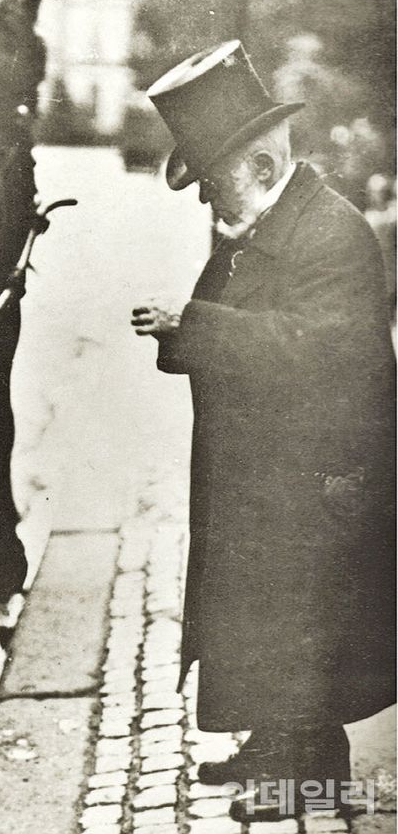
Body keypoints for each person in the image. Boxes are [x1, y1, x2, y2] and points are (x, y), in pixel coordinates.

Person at [131, 40, 396, 823]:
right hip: (269, 469)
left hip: (321, 479)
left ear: (261, 165)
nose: (209, 202)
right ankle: (274, 742)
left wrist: (192, 324)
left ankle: (311, 777)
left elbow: (316, 350)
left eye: (214, 183)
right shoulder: (262, 228)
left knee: (303, 623)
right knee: (259, 611)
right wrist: (182, 330)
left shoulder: (333, 234)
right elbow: (227, 324)